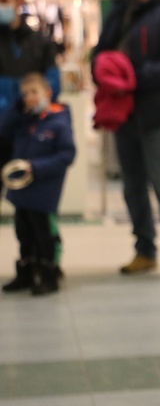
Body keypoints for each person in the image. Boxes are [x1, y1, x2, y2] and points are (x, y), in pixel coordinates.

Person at [92, 0, 160, 282]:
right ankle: (144, 250)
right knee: (132, 186)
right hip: (122, 112)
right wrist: (104, 69)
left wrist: (134, 78)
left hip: (159, 113)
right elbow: (101, 50)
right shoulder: (120, 10)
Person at [0, 73, 75, 295]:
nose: (29, 98)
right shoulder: (24, 121)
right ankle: (27, 270)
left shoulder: (59, 123)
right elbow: (3, 130)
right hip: (22, 191)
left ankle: (48, 273)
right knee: (23, 231)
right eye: (25, 94)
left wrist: (37, 167)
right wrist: (17, 108)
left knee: (44, 233)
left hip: (44, 190)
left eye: (34, 92)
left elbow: (67, 155)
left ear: (48, 94)